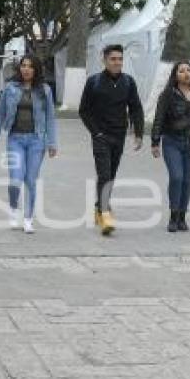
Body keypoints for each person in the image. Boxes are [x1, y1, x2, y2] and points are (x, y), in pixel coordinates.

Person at [78, 44, 144, 236]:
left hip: (119, 135)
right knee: (105, 174)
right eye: (113, 59)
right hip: (101, 136)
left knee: (111, 175)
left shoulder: (128, 82)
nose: (117, 63)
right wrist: (95, 132)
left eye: (120, 59)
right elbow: (84, 110)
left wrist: (138, 133)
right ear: (104, 60)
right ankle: (105, 213)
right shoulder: (94, 82)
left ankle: (99, 206)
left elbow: (136, 108)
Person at [0, 55, 59, 233]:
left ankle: (28, 218)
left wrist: (52, 142)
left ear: (36, 69)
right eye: (23, 65)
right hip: (15, 139)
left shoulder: (44, 90)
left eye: (30, 66)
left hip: (37, 141)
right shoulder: (10, 88)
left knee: (30, 180)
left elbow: (51, 118)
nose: (26, 69)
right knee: (15, 179)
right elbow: (0, 114)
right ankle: (14, 210)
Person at [151, 61, 190, 233]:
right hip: (172, 142)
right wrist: (155, 142)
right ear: (175, 75)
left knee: (186, 180)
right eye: (181, 71)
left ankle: (182, 217)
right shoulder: (168, 94)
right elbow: (159, 119)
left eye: (189, 70)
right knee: (176, 177)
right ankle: (173, 216)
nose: (186, 73)